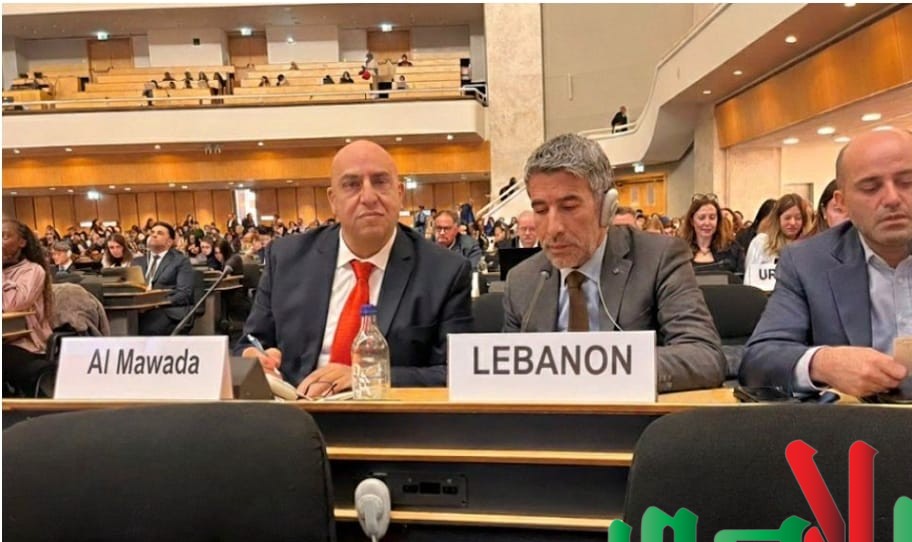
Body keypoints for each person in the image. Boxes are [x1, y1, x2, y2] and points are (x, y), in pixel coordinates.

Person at [236, 140, 474, 394]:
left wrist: (366, 377)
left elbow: (456, 371)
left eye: (380, 182)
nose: (369, 197)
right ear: (333, 200)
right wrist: (254, 357)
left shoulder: (445, 271)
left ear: (400, 193)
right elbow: (249, 343)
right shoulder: (286, 258)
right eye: (352, 185)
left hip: (390, 413)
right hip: (295, 407)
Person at [739, 128, 912, 397]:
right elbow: (759, 359)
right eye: (870, 187)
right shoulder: (807, 262)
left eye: (907, 182)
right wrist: (823, 363)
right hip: (858, 420)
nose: (892, 199)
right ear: (842, 203)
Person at [502, 134, 725, 393]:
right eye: (540, 210)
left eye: (569, 207)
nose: (553, 229)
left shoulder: (659, 258)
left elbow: (703, 356)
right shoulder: (522, 280)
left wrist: (595, 368)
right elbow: (508, 374)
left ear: (607, 208)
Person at [3, 219, 54, 397]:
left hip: (26, 344)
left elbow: (12, 305)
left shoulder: (33, 271)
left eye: (4, 236)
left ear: (22, 243)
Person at [132, 222, 196, 335]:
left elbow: (184, 293)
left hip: (166, 309)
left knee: (148, 329)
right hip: (137, 309)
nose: (154, 235)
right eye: (152, 232)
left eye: (160, 233)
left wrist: (155, 303)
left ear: (169, 242)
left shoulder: (180, 261)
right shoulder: (137, 262)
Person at [743, 193, 810, 291]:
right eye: (787, 218)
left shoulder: (810, 245)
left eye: (798, 218)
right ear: (778, 219)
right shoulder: (760, 243)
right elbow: (749, 280)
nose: (792, 223)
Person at [680, 194, 744, 274]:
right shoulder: (679, 251)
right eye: (701, 218)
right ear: (692, 221)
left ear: (718, 221)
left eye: (712, 217)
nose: (707, 223)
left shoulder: (733, 249)